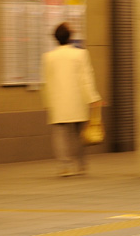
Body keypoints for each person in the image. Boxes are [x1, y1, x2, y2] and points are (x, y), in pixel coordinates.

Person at [41, 23, 102, 176]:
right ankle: (81, 165)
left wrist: (47, 102)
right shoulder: (80, 54)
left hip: (58, 101)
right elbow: (86, 78)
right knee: (79, 134)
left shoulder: (48, 57)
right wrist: (93, 98)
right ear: (70, 37)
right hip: (77, 100)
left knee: (60, 134)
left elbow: (47, 81)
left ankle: (64, 166)